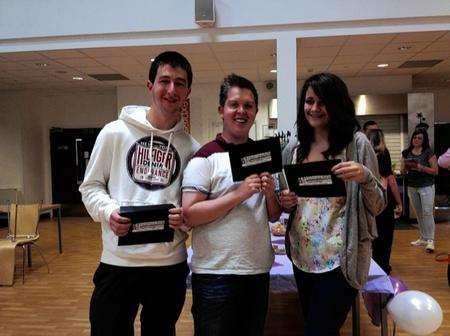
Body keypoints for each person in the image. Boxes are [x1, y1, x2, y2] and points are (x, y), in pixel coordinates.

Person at [79, 51, 199, 336]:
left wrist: (184, 218)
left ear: (188, 92)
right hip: (119, 263)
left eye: (180, 83)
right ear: (150, 86)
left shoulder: (191, 148)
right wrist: (109, 212)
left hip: (168, 266)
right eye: (164, 81)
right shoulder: (114, 133)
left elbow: (192, 209)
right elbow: (90, 186)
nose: (171, 90)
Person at [279, 73, 385, 336]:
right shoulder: (295, 148)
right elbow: (290, 202)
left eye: (322, 102)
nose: (314, 108)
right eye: (309, 101)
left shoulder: (356, 144)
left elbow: (379, 204)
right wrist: (286, 201)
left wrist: (365, 177)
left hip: (340, 260)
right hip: (301, 258)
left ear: (337, 104)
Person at [182, 74, 282, 335]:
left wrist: (271, 193)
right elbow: (190, 215)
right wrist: (240, 194)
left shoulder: (263, 155)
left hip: (257, 271)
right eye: (234, 104)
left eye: (248, 106)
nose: (241, 111)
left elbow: (272, 216)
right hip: (215, 274)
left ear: (256, 112)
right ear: (221, 110)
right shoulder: (204, 156)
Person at [367, 129, 402, 274]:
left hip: (368, 199)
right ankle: (383, 267)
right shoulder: (384, 153)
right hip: (383, 201)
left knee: (371, 236)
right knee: (385, 236)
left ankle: (371, 266)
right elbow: (390, 179)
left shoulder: (364, 154)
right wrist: (399, 202)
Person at [401, 128, 438, 253]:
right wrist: (405, 168)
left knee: (427, 213)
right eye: (415, 137)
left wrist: (420, 167)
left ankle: (431, 240)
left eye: (419, 138)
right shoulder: (406, 152)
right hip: (412, 186)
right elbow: (402, 171)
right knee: (419, 213)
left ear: (424, 140)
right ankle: (423, 237)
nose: (416, 140)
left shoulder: (428, 152)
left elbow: (435, 171)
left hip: (426, 186)